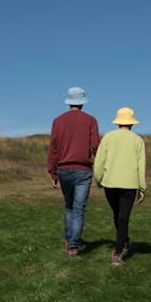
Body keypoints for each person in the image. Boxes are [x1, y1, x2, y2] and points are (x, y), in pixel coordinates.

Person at [47, 86, 100, 258]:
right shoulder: (91, 120)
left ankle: (69, 240)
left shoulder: (57, 121)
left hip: (63, 170)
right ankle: (73, 246)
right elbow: (96, 147)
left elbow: (53, 150)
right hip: (83, 170)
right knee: (78, 210)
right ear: (83, 102)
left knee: (69, 207)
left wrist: (53, 173)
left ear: (69, 102)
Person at [93, 107, 147, 266]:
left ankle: (117, 252)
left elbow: (99, 162)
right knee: (121, 217)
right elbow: (141, 166)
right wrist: (142, 188)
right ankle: (124, 241)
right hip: (129, 185)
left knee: (120, 216)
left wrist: (98, 180)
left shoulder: (108, 137)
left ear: (118, 122)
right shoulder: (138, 141)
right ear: (132, 123)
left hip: (110, 184)